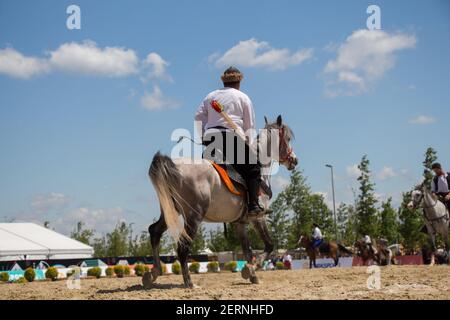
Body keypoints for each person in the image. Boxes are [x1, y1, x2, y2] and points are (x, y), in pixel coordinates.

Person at [195, 66, 264, 216]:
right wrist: (249, 146)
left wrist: (202, 137)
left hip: (211, 138)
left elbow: (198, 117)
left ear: (223, 81)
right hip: (231, 138)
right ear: (239, 81)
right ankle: (253, 206)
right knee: (254, 169)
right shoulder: (243, 97)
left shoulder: (210, 96)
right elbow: (249, 125)